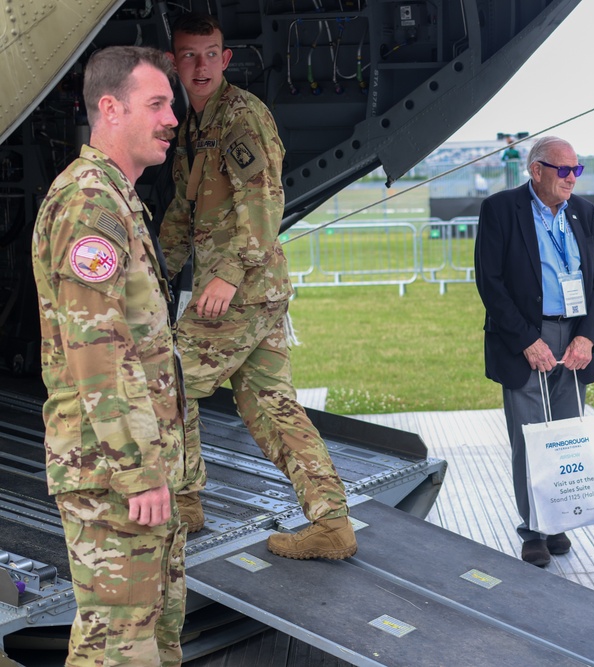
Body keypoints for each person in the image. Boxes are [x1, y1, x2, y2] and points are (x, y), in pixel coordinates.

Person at [159, 13, 356, 560]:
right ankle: (333, 524)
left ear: (226, 59)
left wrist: (223, 275)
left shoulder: (241, 116)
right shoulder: (197, 125)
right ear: (175, 62)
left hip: (240, 289)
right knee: (271, 407)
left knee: (170, 378)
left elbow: (265, 201)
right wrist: (156, 269)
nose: (200, 66)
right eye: (189, 55)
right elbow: (184, 207)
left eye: (210, 53)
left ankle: (184, 501)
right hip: (254, 289)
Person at [32, 46, 187, 666]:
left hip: (138, 467)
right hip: (111, 473)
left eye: (170, 104)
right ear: (109, 108)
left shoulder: (118, 198)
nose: (172, 118)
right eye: (157, 104)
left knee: (156, 635)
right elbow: (97, 349)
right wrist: (137, 469)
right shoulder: (91, 206)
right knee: (118, 647)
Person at [474, 136, 594, 568]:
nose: (572, 178)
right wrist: (526, 341)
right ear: (537, 170)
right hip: (525, 339)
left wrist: (587, 338)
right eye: (564, 170)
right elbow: (490, 282)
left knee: (568, 435)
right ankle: (534, 528)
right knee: (531, 437)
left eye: (578, 170)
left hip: (573, 339)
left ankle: (559, 519)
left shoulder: (583, 212)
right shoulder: (501, 209)